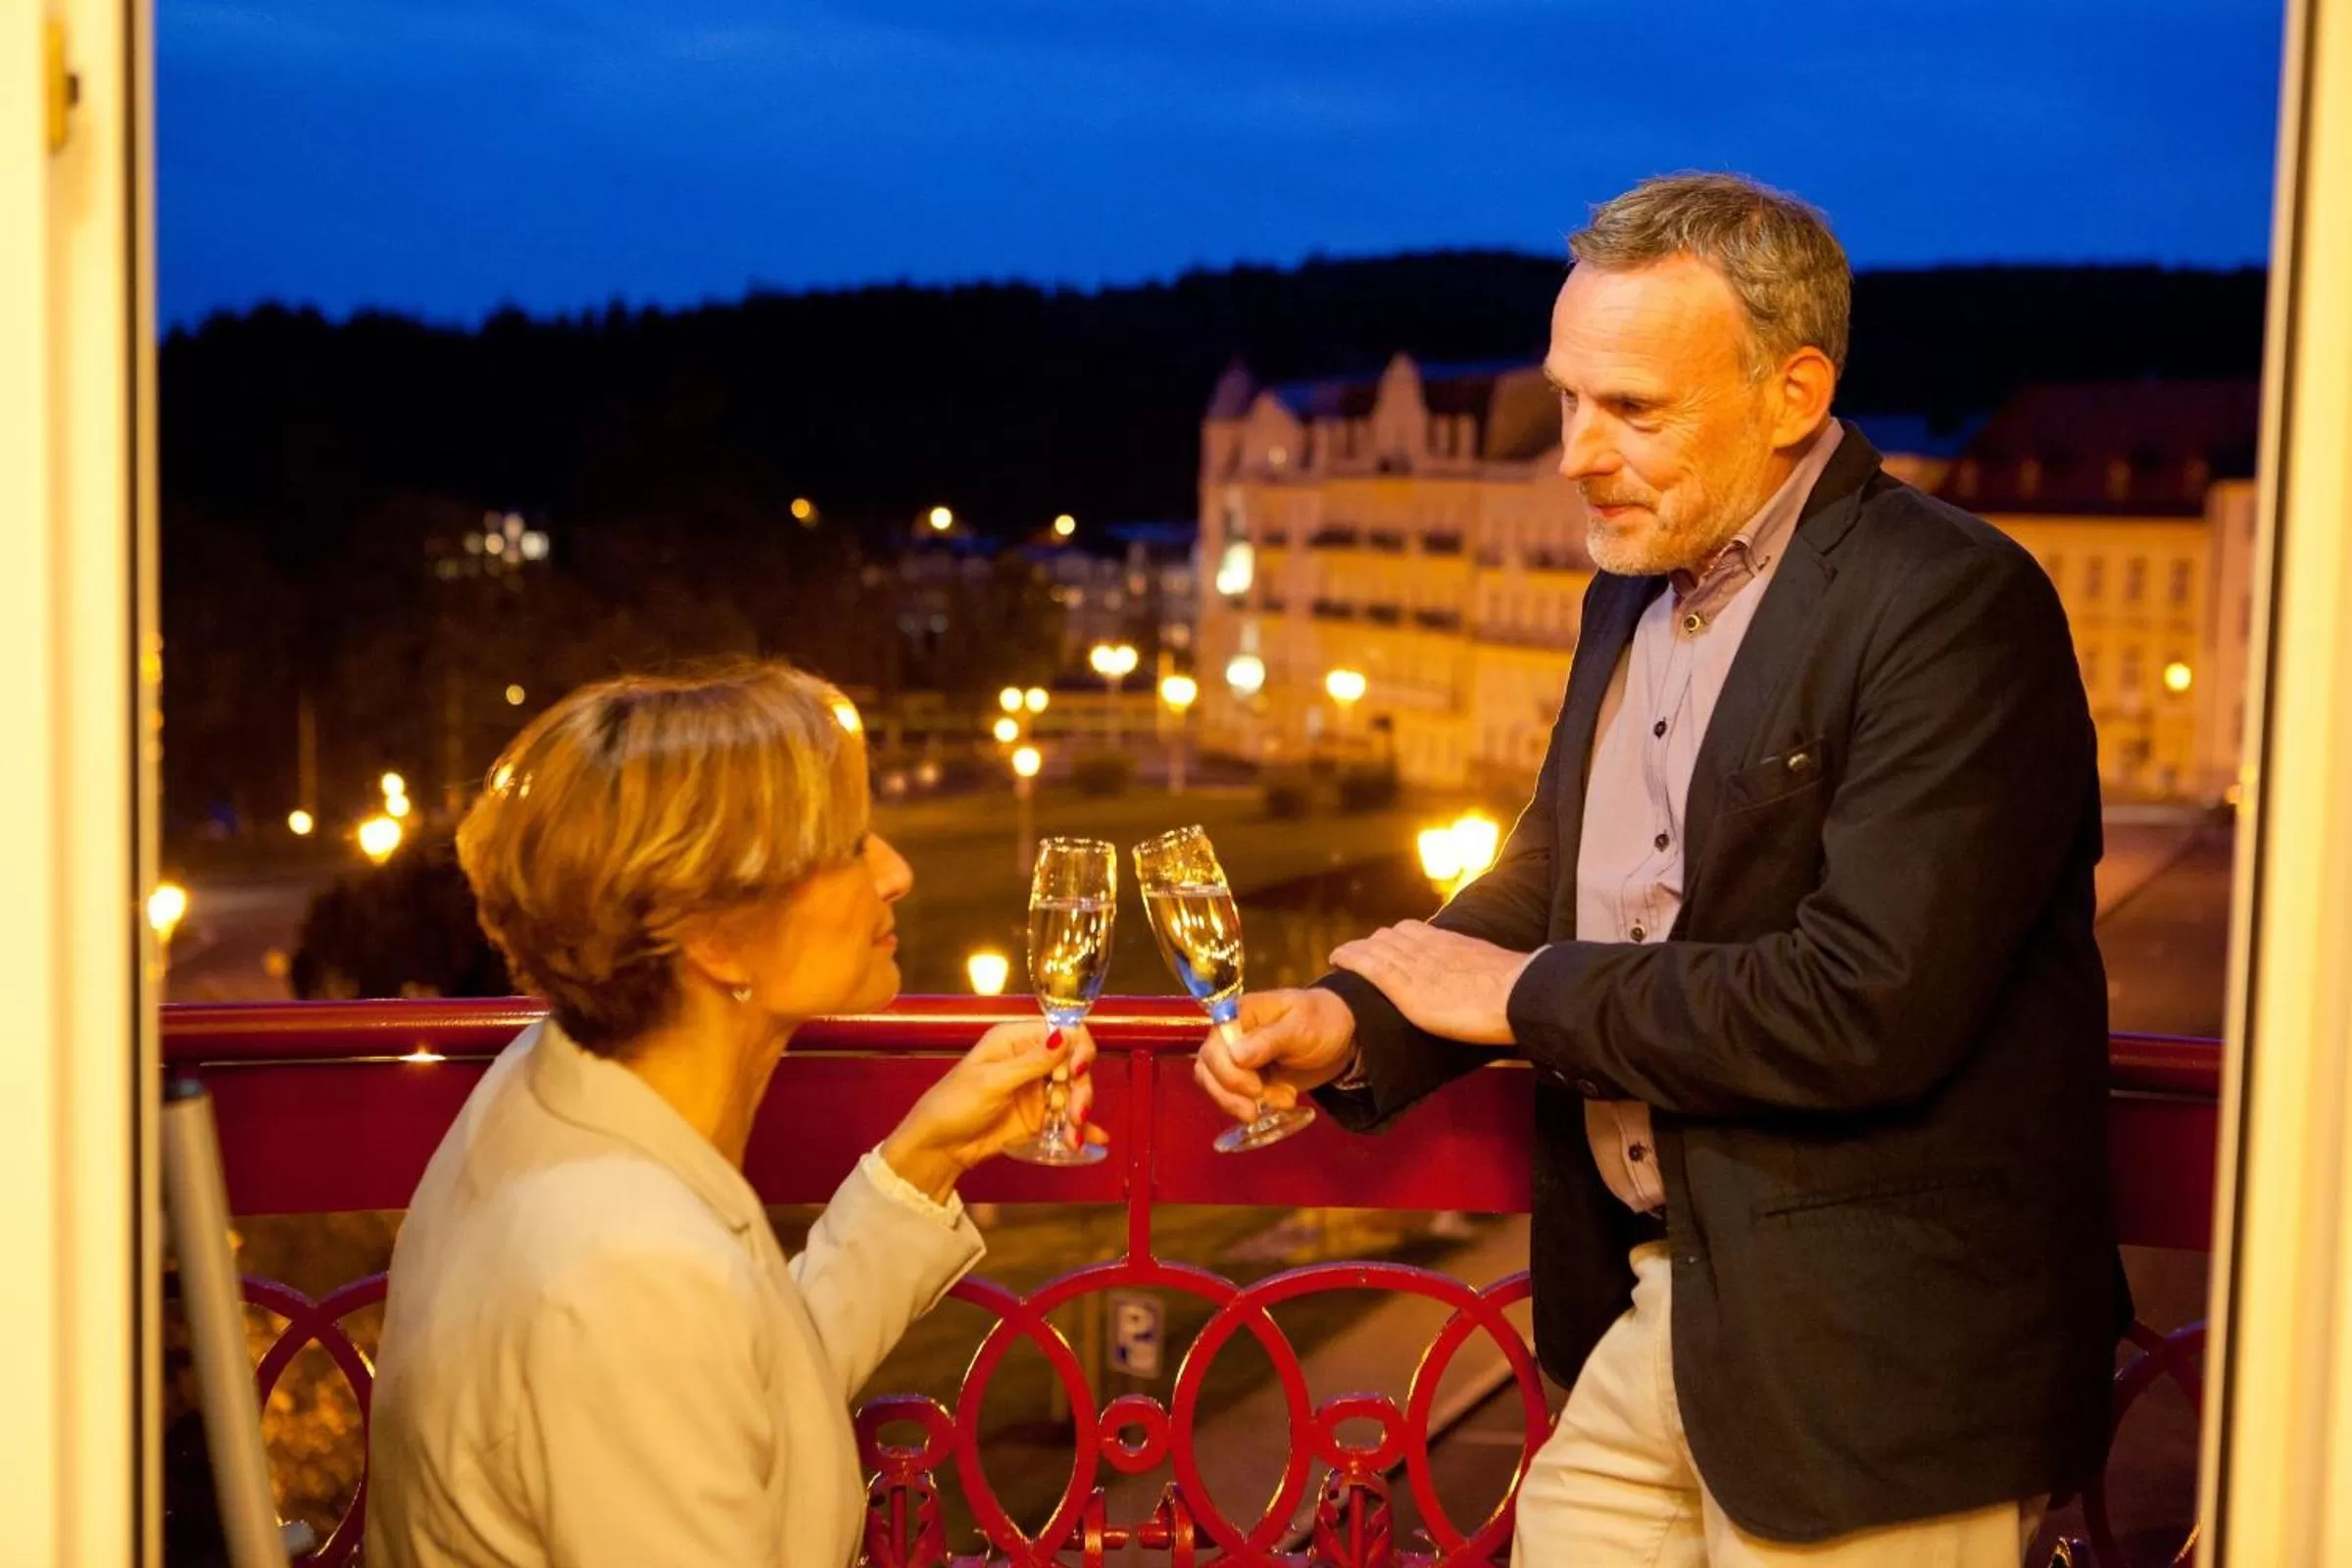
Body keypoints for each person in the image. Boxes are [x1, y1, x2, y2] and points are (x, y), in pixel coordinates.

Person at [1197, 172, 2123, 1566]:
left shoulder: (1950, 603)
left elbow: (1863, 1002)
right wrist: (1361, 1014)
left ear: (1794, 391)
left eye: (1633, 410)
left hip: (1868, 1364)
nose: (1575, 452)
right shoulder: (1629, 587)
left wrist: (1516, 1001)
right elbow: (1557, 871)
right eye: (1569, 398)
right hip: (1649, 1318)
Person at [366, 663, 1101, 1567]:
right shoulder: (621, 1272)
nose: (897, 874)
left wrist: (925, 1161)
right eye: (849, 845)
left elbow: (724, 1397)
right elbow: (665, 1348)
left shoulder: (548, 1089)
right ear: (715, 936)